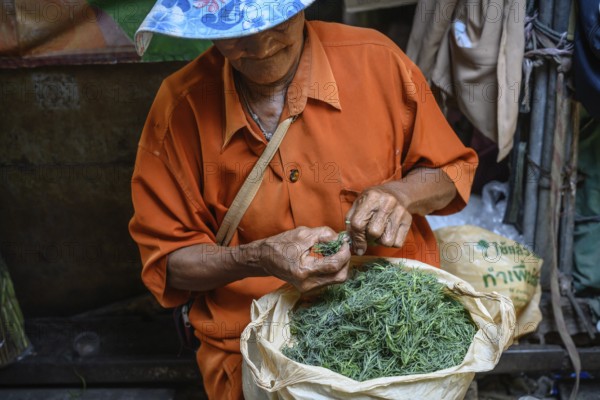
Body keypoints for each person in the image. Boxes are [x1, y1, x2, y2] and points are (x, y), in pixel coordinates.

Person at [129, 1, 478, 398]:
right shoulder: (181, 108)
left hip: (409, 338)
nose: (260, 47)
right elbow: (171, 265)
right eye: (234, 32)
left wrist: (401, 193)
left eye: (275, 22)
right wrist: (256, 256)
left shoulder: (376, 61)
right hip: (259, 353)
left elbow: (451, 172)